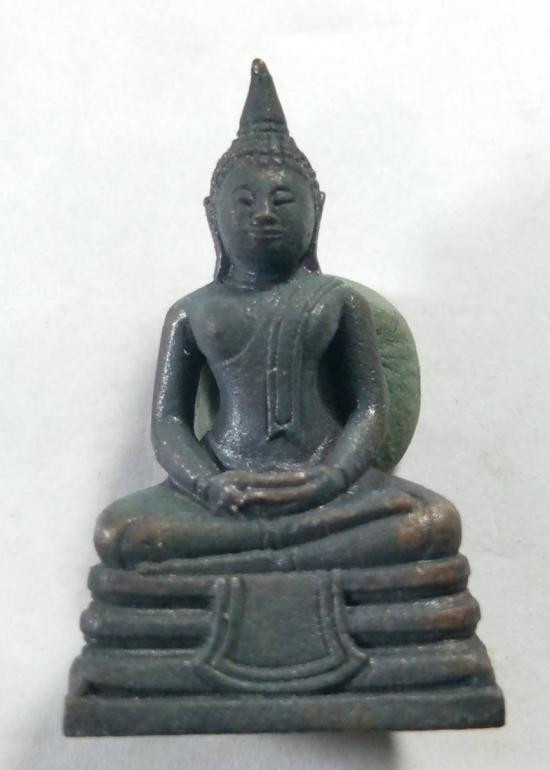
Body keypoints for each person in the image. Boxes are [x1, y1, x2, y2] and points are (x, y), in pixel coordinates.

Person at [95, 60, 460, 573]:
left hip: (327, 483)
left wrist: (334, 476)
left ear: (318, 211)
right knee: (120, 533)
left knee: (433, 523)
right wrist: (207, 483)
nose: (263, 213)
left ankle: (256, 557)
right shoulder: (191, 312)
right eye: (244, 201)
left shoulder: (338, 301)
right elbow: (169, 422)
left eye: (282, 199)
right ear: (213, 215)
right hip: (226, 484)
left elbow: (370, 408)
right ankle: (292, 557)